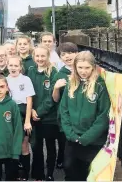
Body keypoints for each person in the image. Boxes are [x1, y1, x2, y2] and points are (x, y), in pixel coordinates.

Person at [59, 51, 110, 181]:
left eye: (87, 67)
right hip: (73, 137)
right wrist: (70, 134)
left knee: (87, 172)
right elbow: (63, 110)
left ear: (93, 67)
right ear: (75, 67)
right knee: (69, 167)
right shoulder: (70, 83)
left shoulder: (100, 86)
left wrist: (87, 137)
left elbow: (103, 116)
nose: (83, 71)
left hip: (92, 140)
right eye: (80, 67)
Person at [28, 46, 59, 181]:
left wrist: (39, 111)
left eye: (43, 56)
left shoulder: (53, 72)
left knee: (50, 146)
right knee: (36, 146)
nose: (40, 59)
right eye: (37, 56)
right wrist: (32, 110)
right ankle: (38, 173)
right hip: (33, 115)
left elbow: (52, 97)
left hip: (49, 117)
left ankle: (50, 173)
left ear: (48, 57)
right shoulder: (30, 71)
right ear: (34, 57)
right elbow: (27, 93)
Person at [6, 55, 36, 180]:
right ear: (7, 66)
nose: (13, 68)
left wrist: (27, 121)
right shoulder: (4, 79)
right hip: (9, 113)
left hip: (23, 112)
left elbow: (29, 100)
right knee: (11, 142)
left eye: (16, 65)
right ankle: (13, 170)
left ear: (20, 67)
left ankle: (25, 171)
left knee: (24, 142)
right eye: (11, 65)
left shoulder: (26, 80)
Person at [51, 42, 79, 170]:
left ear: (76, 53)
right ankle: (64, 162)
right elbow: (55, 99)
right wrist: (56, 88)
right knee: (65, 144)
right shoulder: (59, 74)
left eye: (70, 53)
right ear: (60, 57)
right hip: (66, 118)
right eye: (63, 54)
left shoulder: (84, 70)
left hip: (81, 116)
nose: (67, 56)